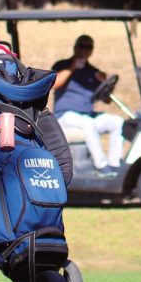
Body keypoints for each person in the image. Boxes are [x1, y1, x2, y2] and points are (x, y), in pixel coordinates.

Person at [51, 35, 124, 177]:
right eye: (81, 46)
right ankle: (101, 166)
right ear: (75, 47)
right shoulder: (62, 65)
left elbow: (107, 100)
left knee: (117, 122)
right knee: (88, 124)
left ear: (92, 51)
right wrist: (72, 67)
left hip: (87, 114)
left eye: (88, 47)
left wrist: (105, 83)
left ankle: (115, 164)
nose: (84, 50)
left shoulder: (93, 71)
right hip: (65, 116)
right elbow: (55, 84)